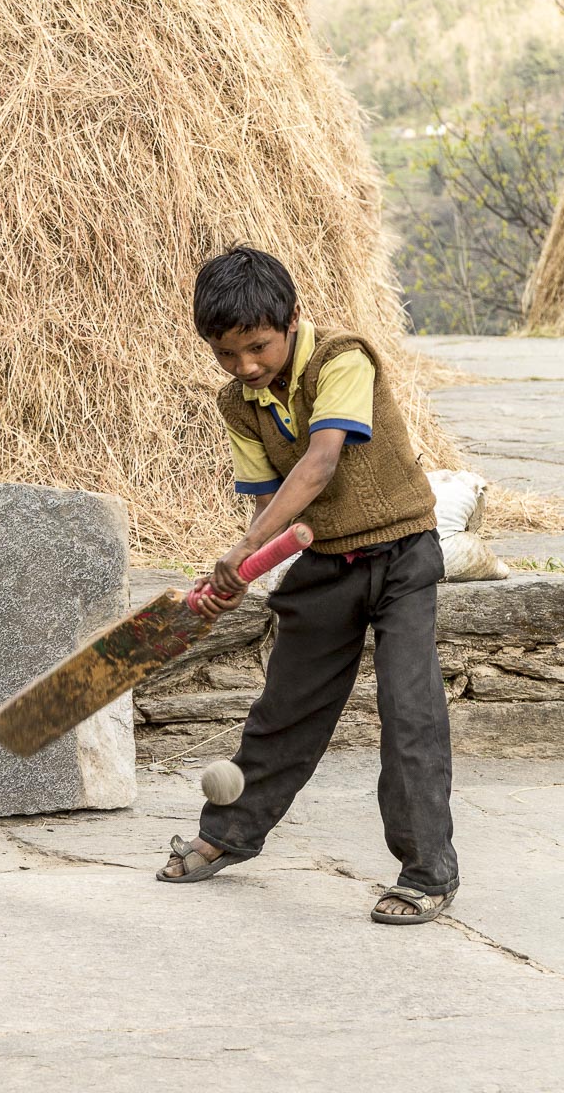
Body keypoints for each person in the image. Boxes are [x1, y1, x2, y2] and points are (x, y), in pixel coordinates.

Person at [156, 245, 459, 924]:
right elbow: (271, 507)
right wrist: (240, 572)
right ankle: (229, 833)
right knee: (284, 707)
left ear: (292, 319)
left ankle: (427, 872)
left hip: (403, 555)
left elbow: (320, 464)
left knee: (409, 712)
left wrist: (241, 550)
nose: (245, 366)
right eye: (226, 354)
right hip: (324, 562)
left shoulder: (342, 359)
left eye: (257, 347)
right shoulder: (239, 404)